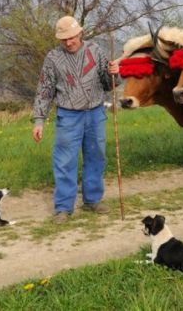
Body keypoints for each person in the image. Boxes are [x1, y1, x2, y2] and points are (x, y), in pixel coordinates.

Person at [32, 16, 120, 224]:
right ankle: (63, 208)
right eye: (64, 39)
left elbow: (109, 84)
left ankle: (92, 200)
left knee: (96, 156)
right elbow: (44, 90)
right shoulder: (53, 58)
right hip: (68, 115)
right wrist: (39, 120)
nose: (68, 42)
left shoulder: (96, 51)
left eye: (71, 37)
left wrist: (115, 73)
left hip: (95, 113)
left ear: (80, 33)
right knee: (64, 161)